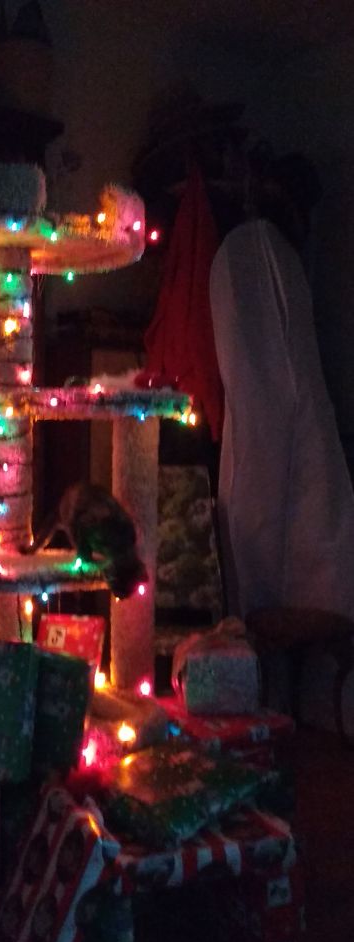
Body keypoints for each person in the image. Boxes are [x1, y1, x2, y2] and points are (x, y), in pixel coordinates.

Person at [209, 154, 354, 620]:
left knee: (305, 531)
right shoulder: (251, 251)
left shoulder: (267, 255)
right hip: (266, 417)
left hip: (282, 418)